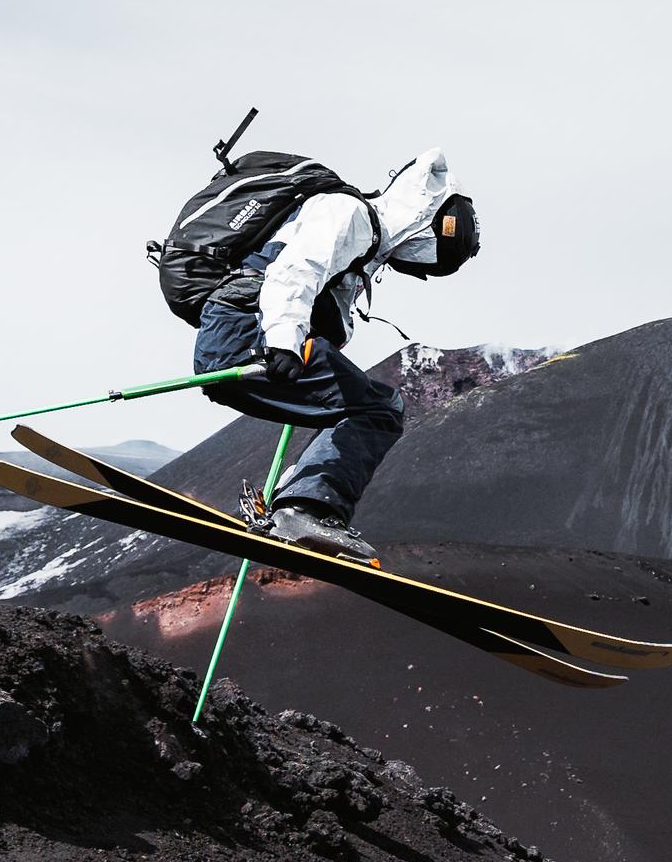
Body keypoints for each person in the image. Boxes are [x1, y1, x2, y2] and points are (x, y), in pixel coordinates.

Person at [189, 147, 479, 561]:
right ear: (427, 219)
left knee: (365, 407)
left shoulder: (362, 241)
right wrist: (285, 340)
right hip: (245, 330)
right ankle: (304, 511)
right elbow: (294, 271)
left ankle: (295, 505)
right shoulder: (347, 213)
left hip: (241, 329)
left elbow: (325, 316)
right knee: (378, 410)